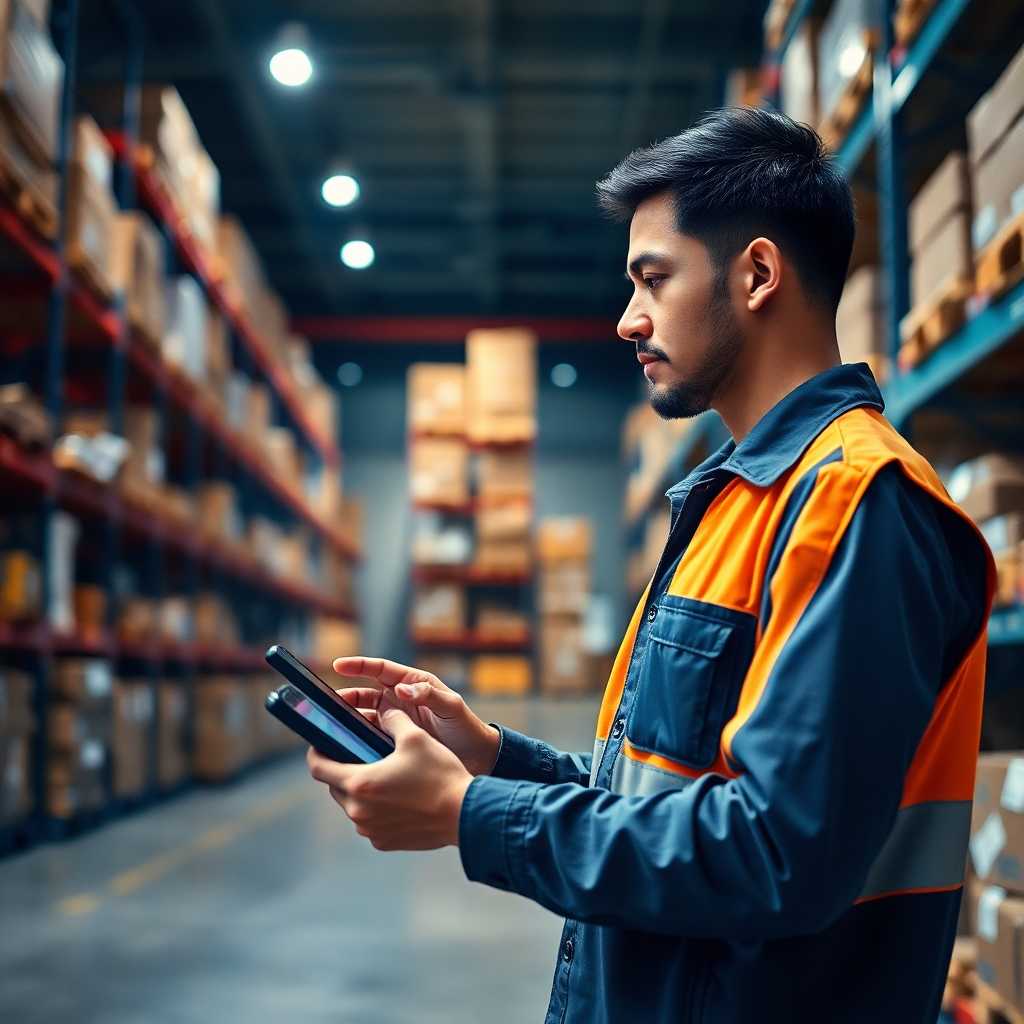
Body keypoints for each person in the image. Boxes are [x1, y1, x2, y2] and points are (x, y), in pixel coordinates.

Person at [306, 107, 995, 1023]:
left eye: (652, 279)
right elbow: (668, 793)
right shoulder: (738, 499)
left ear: (756, 274)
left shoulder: (859, 506)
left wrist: (472, 816)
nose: (628, 319)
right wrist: (496, 760)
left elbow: (775, 855)